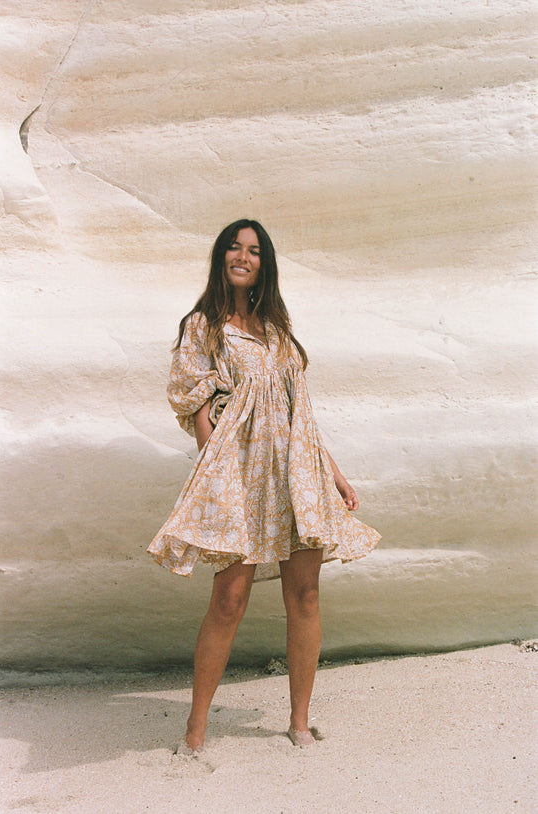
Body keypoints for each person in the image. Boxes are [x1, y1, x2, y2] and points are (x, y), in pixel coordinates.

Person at [147, 219, 380, 751]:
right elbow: (195, 403)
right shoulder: (203, 326)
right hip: (241, 474)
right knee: (229, 599)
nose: (243, 257)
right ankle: (195, 729)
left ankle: (299, 721)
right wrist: (217, 468)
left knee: (306, 594)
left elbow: (300, 415)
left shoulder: (276, 329)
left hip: (298, 474)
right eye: (234, 248)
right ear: (221, 257)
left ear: (264, 264)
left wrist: (334, 474)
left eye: (253, 251)